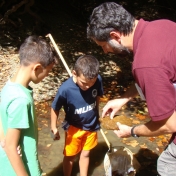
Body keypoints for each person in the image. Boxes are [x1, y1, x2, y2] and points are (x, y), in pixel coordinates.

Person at [87, 2, 176, 176]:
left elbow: (170, 124)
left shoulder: (145, 64)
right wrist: (125, 98)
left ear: (115, 36)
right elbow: (164, 74)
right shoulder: (163, 25)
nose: (105, 51)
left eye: (103, 45)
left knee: (166, 166)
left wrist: (132, 131)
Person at [0, 35, 57, 176]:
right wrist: (8, 143)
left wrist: (4, 139)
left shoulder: (9, 86)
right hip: (20, 170)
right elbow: (10, 147)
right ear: (37, 68)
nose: (46, 75)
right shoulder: (20, 100)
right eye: (47, 72)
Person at [50, 55, 103, 176]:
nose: (88, 87)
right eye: (84, 83)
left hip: (92, 125)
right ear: (74, 73)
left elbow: (97, 97)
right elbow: (55, 107)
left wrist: (97, 115)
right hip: (74, 127)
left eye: (92, 83)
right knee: (70, 156)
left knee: (86, 154)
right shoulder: (65, 89)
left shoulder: (98, 79)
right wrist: (54, 127)